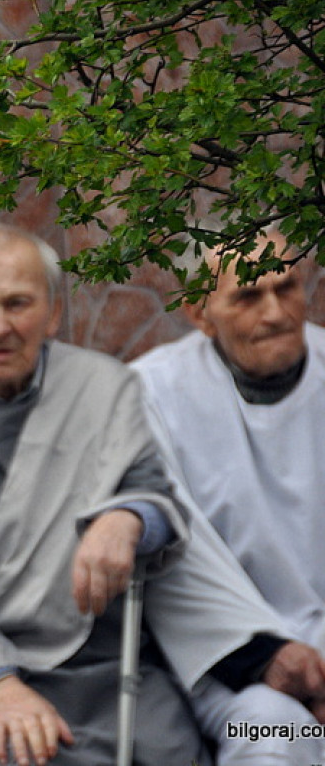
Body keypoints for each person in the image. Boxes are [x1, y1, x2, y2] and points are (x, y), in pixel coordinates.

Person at [0, 221, 321, 766]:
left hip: (107, 663)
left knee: (196, 750)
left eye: (18, 303)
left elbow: (152, 490)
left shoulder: (104, 386)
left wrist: (128, 517)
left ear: (53, 313)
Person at [132, 229, 325, 763]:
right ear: (199, 311)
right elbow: (170, 556)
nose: (275, 313)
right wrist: (265, 656)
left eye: (286, 287)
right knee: (274, 735)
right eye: (248, 296)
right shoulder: (150, 394)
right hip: (233, 664)